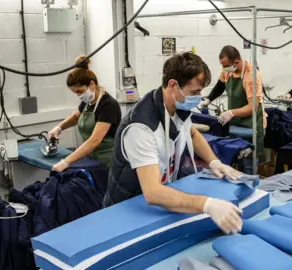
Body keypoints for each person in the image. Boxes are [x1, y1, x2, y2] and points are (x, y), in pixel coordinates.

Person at [103, 52, 244, 235]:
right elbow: (153, 193)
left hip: (160, 201)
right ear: (172, 85)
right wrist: (207, 204)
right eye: (194, 92)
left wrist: (214, 161)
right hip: (128, 209)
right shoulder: (140, 128)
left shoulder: (176, 106)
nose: (198, 97)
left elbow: (191, 133)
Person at [49, 56, 121, 172]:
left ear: (92, 84)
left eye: (80, 91)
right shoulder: (87, 102)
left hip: (108, 162)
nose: (79, 96)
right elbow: (76, 116)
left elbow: (94, 140)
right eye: (75, 93)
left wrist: (65, 162)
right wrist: (59, 128)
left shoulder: (108, 105)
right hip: (92, 159)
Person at [200, 45, 266, 156]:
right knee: (234, 155)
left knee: (249, 159)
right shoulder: (227, 71)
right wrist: (208, 100)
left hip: (252, 123)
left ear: (236, 62)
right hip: (236, 121)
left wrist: (231, 113)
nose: (224, 68)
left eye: (225, 65)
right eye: (222, 65)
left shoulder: (252, 75)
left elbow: (252, 107)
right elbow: (220, 86)